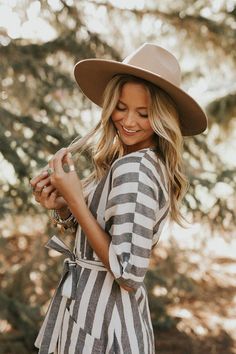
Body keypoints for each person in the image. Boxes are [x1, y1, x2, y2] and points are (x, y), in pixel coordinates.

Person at [30, 43, 207, 354]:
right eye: (121, 107)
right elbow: (106, 237)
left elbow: (127, 272)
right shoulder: (129, 161)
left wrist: (75, 201)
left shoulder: (135, 168)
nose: (128, 121)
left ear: (163, 117)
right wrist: (62, 207)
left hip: (104, 331)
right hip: (91, 317)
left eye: (144, 113)